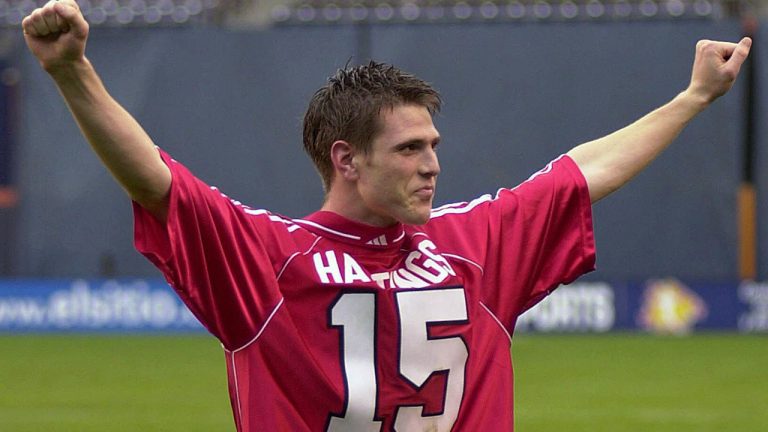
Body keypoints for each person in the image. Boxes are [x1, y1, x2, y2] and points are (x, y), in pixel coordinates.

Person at [22, 1, 751, 430]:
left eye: (433, 145)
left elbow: (585, 171)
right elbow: (155, 181)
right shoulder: (270, 259)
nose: (432, 162)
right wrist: (71, 70)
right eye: (408, 149)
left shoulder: (473, 240)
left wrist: (692, 99)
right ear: (346, 159)